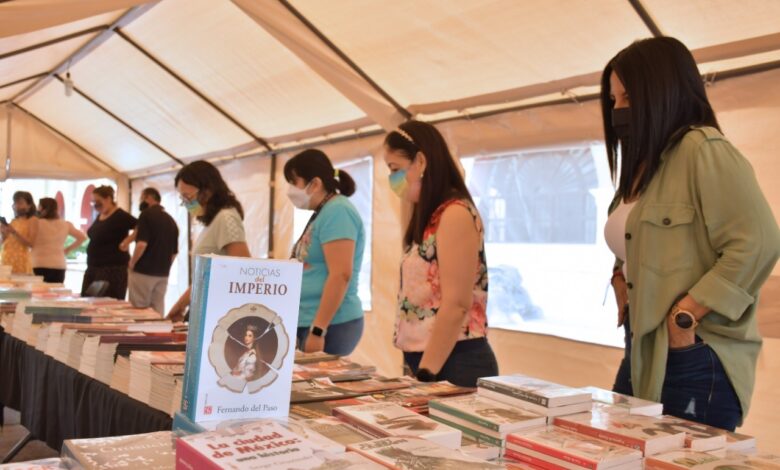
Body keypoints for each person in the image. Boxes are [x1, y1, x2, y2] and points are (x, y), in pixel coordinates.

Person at [602, 37, 780, 431]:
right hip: (641, 348)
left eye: (627, 96)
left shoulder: (704, 150)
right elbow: (635, 242)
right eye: (613, 100)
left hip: (693, 352)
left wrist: (685, 316)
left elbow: (759, 242)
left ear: (660, 91)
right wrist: (619, 275)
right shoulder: (643, 168)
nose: (618, 110)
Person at [383, 120, 499, 388]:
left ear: (421, 162)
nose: (393, 179)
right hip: (430, 361)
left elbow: (457, 304)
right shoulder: (431, 217)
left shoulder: (455, 214)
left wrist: (426, 373)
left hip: (453, 362)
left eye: (395, 169)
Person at [284, 149, 366, 356]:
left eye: (294, 182)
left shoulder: (338, 211)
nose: (290, 189)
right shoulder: (323, 211)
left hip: (331, 324)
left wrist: (318, 330)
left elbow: (341, 274)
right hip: (311, 320)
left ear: (316, 184)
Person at [167, 161, 251, 321]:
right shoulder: (213, 221)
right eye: (182, 198)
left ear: (208, 190)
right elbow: (204, 277)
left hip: (218, 313)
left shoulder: (226, 218)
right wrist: (180, 305)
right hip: (205, 308)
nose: (185, 203)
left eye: (188, 196)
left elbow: (243, 269)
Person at [127, 188, 179, 315]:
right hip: (162, 274)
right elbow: (174, 253)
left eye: (142, 198)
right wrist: (166, 267)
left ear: (149, 197)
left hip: (143, 271)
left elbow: (141, 244)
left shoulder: (146, 215)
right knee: (157, 311)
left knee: (139, 310)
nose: (141, 201)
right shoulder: (171, 220)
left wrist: (132, 263)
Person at [82, 186, 137, 299]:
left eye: (98, 201)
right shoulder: (100, 215)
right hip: (94, 267)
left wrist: (127, 241)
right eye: (93, 202)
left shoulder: (120, 215)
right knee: (88, 301)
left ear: (108, 199)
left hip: (111, 270)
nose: (95, 205)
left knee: (104, 302)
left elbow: (141, 226)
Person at [31, 198, 87, 283]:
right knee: (56, 293)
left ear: (41, 208)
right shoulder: (66, 224)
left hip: (39, 263)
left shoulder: (36, 223)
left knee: (37, 293)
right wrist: (68, 249)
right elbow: (82, 237)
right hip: (59, 264)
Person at [0, 191, 38, 274]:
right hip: (7, 258)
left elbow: (31, 243)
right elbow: (3, 242)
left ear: (29, 205)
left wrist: (14, 232)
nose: (17, 206)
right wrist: (3, 233)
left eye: (20, 203)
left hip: (21, 259)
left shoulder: (32, 220)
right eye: (15, 203)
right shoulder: (13, 221)